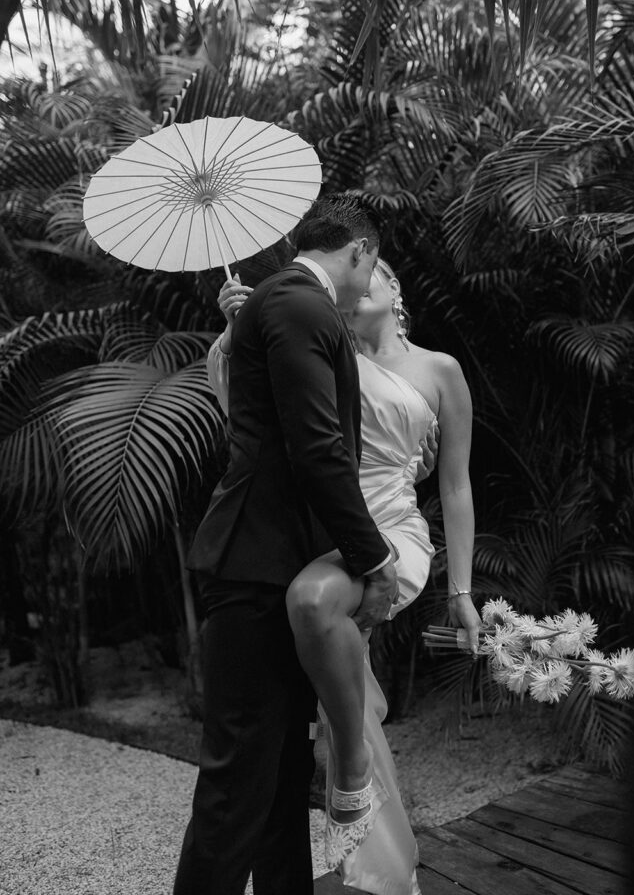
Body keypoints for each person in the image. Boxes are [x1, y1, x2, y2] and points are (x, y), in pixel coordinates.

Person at [214, 256, 482, 893]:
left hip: (393, 530)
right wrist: (236, 331)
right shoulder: (324, 354)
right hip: (324, 534)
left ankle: (349, 770)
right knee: (332, 663)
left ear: (392, 287)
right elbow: (251, 417)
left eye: (376, 271)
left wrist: (463, 593)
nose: (358, 284)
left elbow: (457, 486)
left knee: (313, 605)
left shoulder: (439, 369)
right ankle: (381, 869)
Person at [173, 193, 400, 895]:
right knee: (238, 780)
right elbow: (318, 450)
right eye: (375, 262)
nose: (374, 277)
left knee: (279, 778)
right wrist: (373, 557)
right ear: (358, 251)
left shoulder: (277, 305)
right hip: (253, 567)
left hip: (277, 564)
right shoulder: (301, 305)